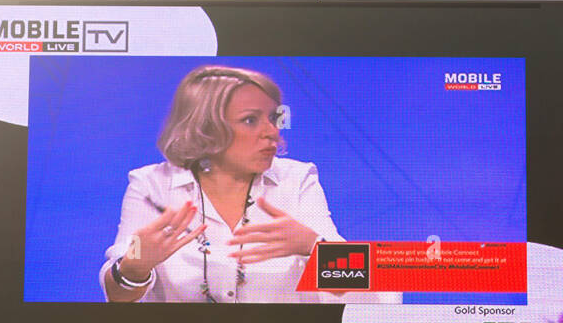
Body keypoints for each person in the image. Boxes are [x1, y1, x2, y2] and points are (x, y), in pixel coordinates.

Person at [99, 64, 398, 305]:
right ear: (206, 127)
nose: (272, 132)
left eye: (273, 118)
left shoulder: (296, 180)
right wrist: (134, 267)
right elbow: (119, 297)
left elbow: (372, 292)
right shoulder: (151, 184)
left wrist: (314, 247)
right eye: (251, 120)